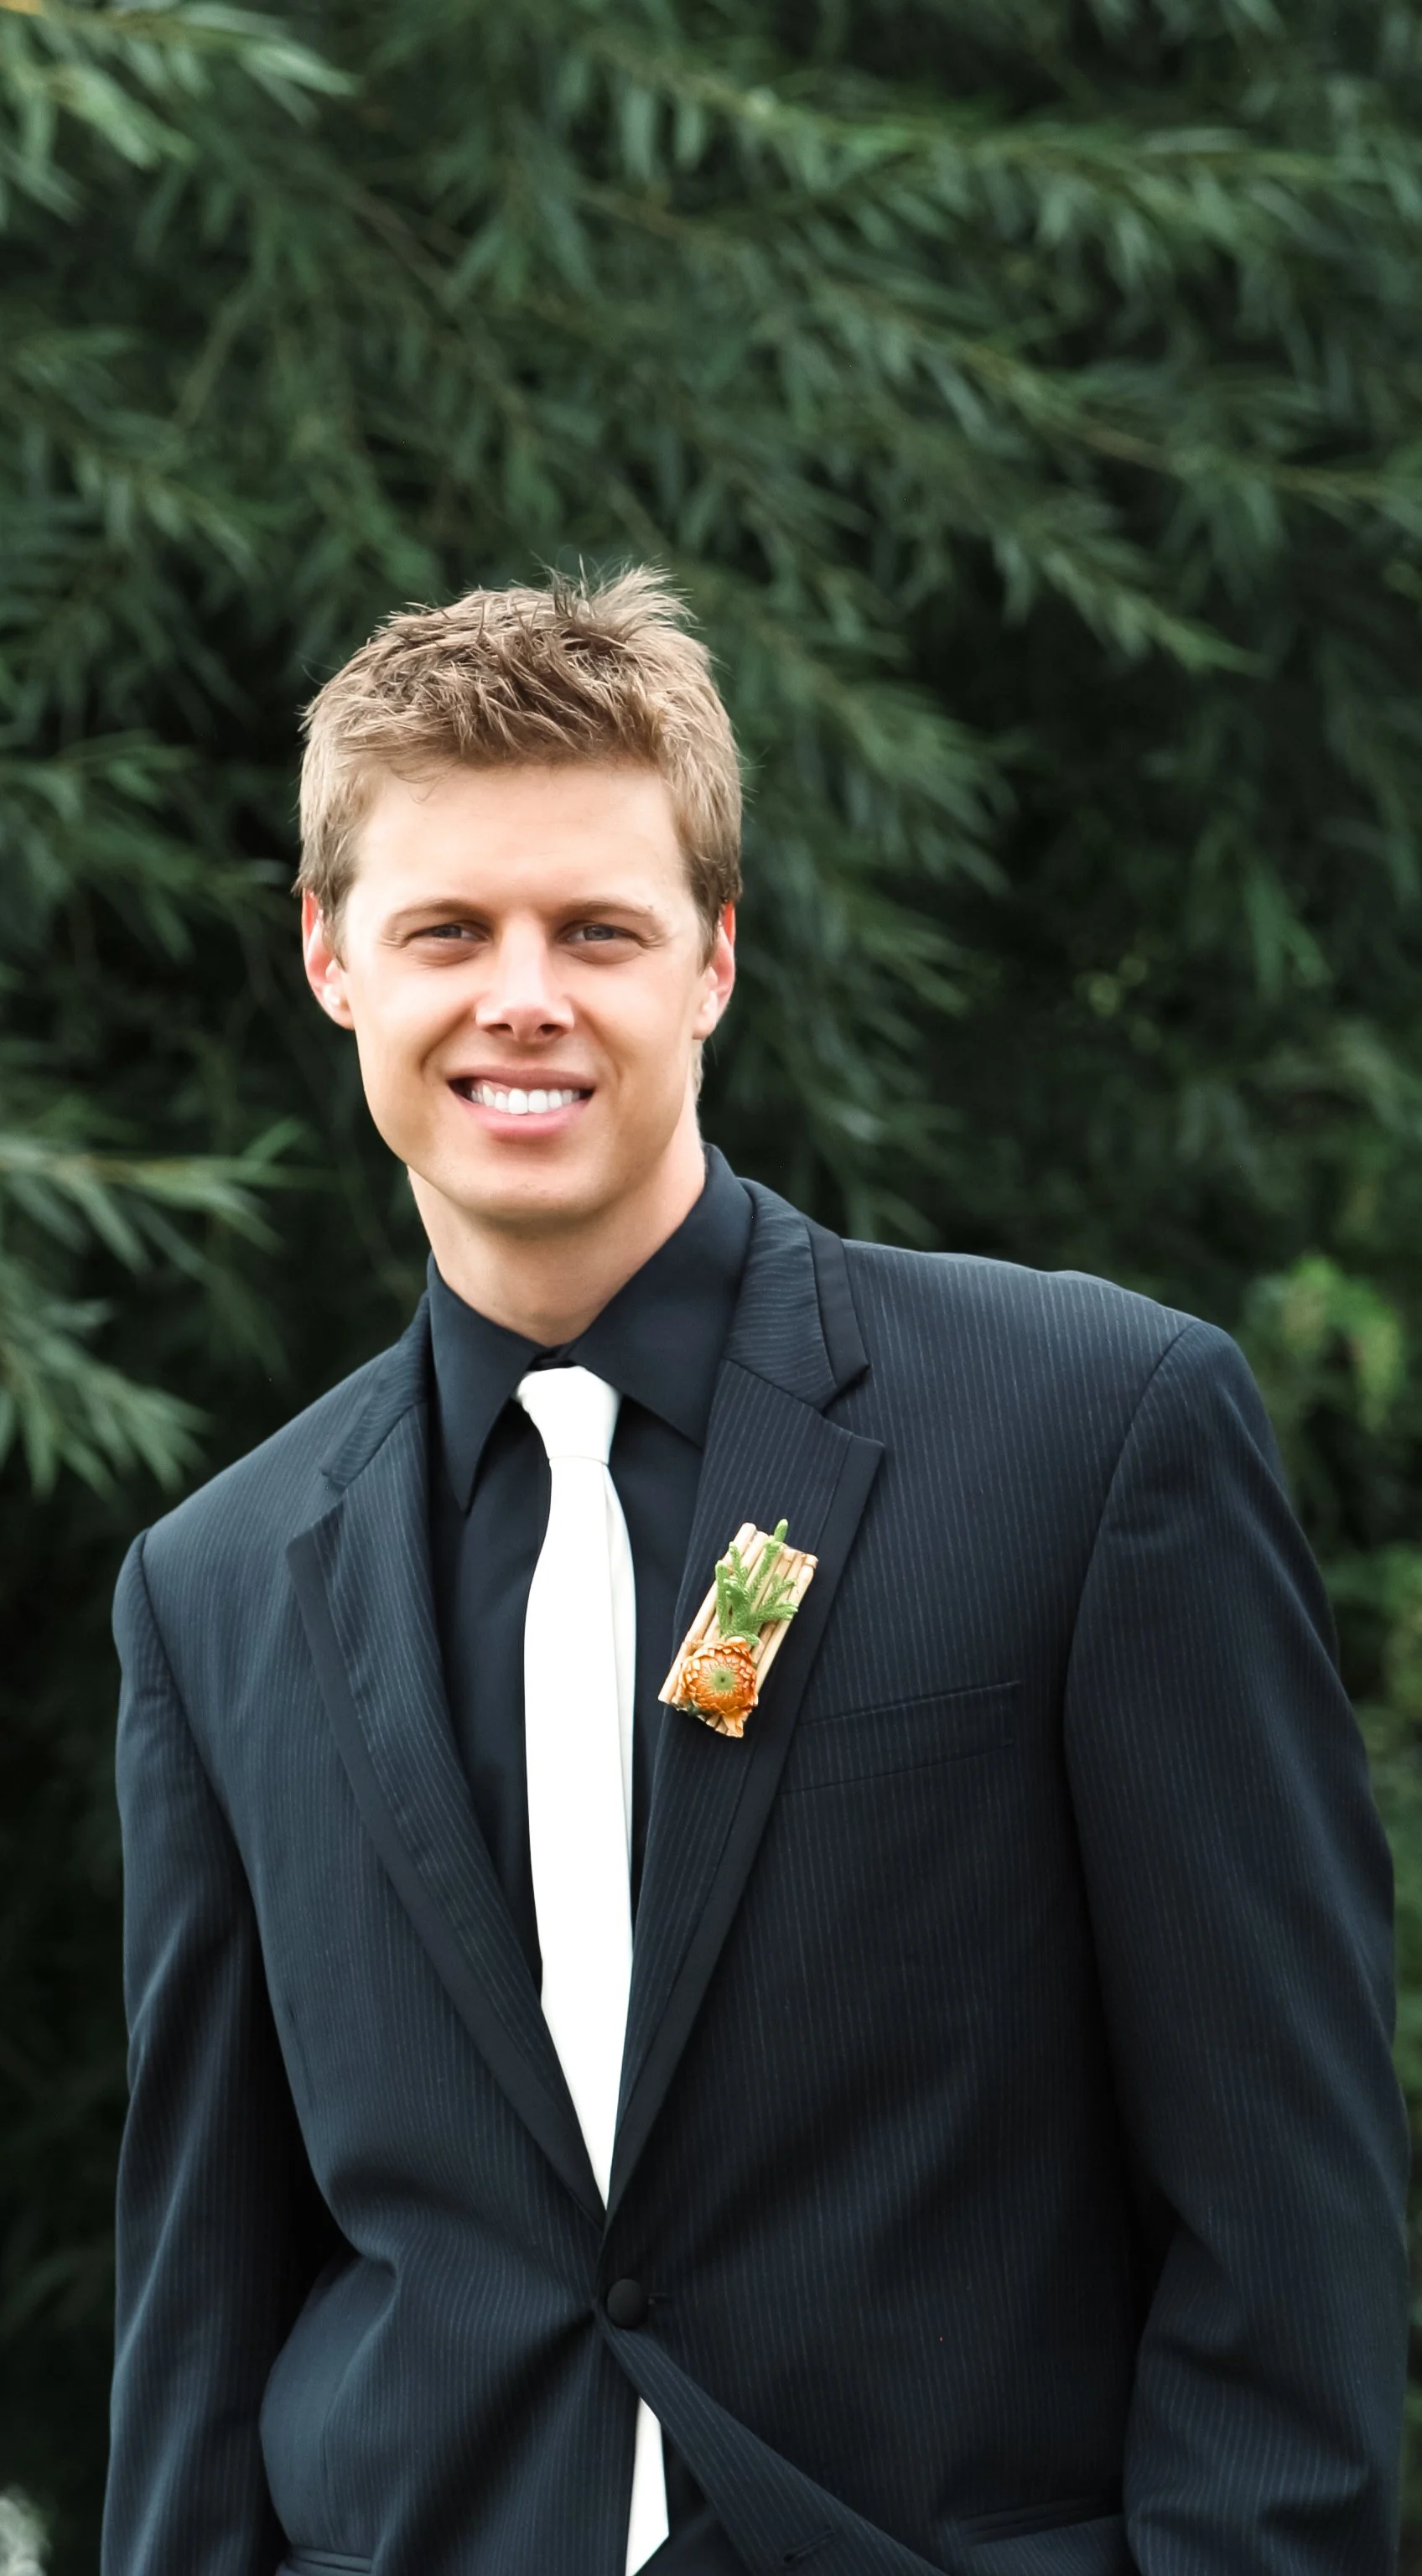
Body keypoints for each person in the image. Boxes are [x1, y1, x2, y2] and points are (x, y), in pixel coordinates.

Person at [102, 571, 1406, 2576]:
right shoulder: (215, 1592)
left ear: (712, 959)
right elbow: (203, 2318)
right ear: (331, 958)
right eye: (447, 928)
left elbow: (1286, 2225)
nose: (519, 995)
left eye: (596, 930)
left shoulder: (1092, 1436)